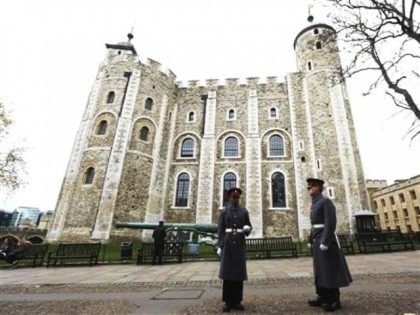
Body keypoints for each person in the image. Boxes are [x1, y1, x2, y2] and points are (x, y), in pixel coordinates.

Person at [306, 177, 353, 312]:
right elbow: (314, 225)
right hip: (317, 239)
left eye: (312, 187)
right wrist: (311, 239)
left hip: (325, 241)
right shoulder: (315, 203)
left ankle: (334, 300)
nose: (310, 189)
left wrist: (325, 241)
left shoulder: (325, 201)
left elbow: (330, 222)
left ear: (319, 188)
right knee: (320, 270)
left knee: (329, 270)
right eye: (309, 188)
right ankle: (322, 296)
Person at [217, 187, 252, 312]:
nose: (235, 199)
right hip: (228, 243)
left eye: (237, 197)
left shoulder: (244, 211)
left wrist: (248, 229)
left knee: (238, 273)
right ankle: (227, 301)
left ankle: (237, 301)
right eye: (233, 197)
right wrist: (220, 245)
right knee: (227, 273)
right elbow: (220, 229)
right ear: (229, 198)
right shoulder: (225, 212)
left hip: (239, 245)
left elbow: (248, 226)